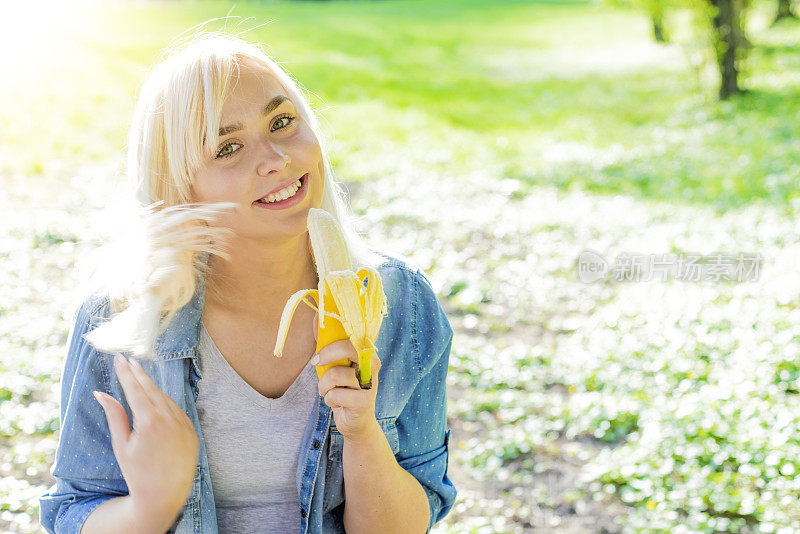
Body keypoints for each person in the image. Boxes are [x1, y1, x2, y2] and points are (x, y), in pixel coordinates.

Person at [38, 30, 457, 533]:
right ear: (179, 190)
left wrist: (362, 432)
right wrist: (149, 505)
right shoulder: (120, 322)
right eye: (228, 147)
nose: (276, 159)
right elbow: (72, 512)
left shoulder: (400, 302)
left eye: (282, 122)